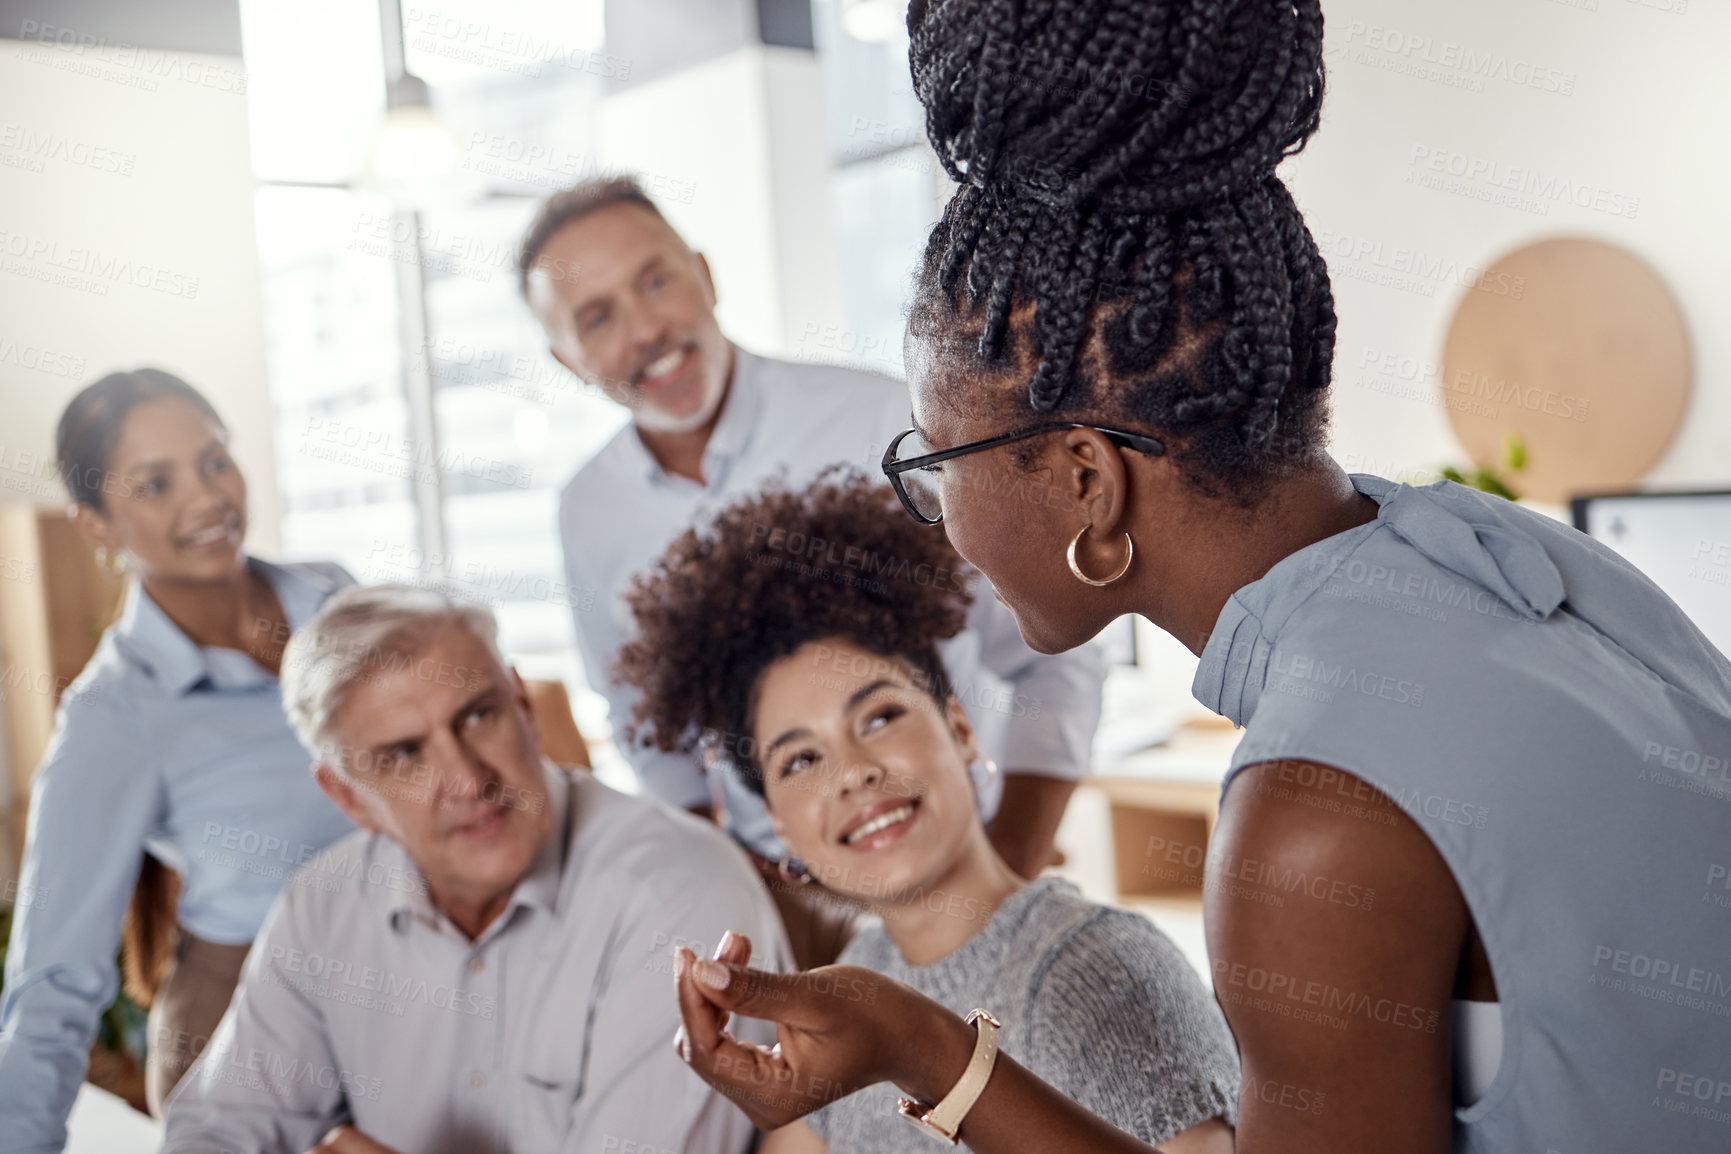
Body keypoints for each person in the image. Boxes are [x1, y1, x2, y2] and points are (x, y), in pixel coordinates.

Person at [664, 1, 1731, 1152]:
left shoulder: (1309, 819)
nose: (942, 525)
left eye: (936, 460)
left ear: (1087, 482)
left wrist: (922, 1052)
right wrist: (916, 1043)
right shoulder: (1517, 552)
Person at [618, 471, 1238, 1154]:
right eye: (800, 760)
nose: (854, 771)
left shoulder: (1101, 972)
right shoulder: (859, 976)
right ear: (778, 825)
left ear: (960, 731)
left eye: (880, 716)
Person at [519, 177, 1107, 893]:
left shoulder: (883, 424)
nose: (645, 329)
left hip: (953, 857)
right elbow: (648, 738)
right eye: (597, 317)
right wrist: (730, 888)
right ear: (567, 362)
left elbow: (1055, 653)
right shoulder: (589, 511)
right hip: (775, 897)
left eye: (654, 280)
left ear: (703, 275)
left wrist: (1007, 860)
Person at [159, 586, 789, 1154]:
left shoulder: (683, 893)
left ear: (523, 705)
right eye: (405, 754)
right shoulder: (325, 903)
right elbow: (214, 1134)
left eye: (478, 715)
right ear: (348, 798)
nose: (466, 780)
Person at [0, 370, 358, 1151]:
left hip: (411, 994)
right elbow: (53, 987)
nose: (206, 499)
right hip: (245, 1038)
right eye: (156, 484)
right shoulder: (114, 715)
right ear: (96, 524)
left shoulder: (335, 602)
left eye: (214, 461)